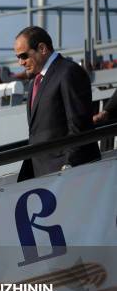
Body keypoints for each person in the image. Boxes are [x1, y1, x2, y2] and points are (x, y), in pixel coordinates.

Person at [14, 26, 101, 182]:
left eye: (24, 55)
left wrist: (69, 166)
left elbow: (79, 125)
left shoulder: (69, 72)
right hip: (44, 174)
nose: (21, 62)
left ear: (42, 48)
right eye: (18, 57)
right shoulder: (36, 81)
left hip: (68, 176)